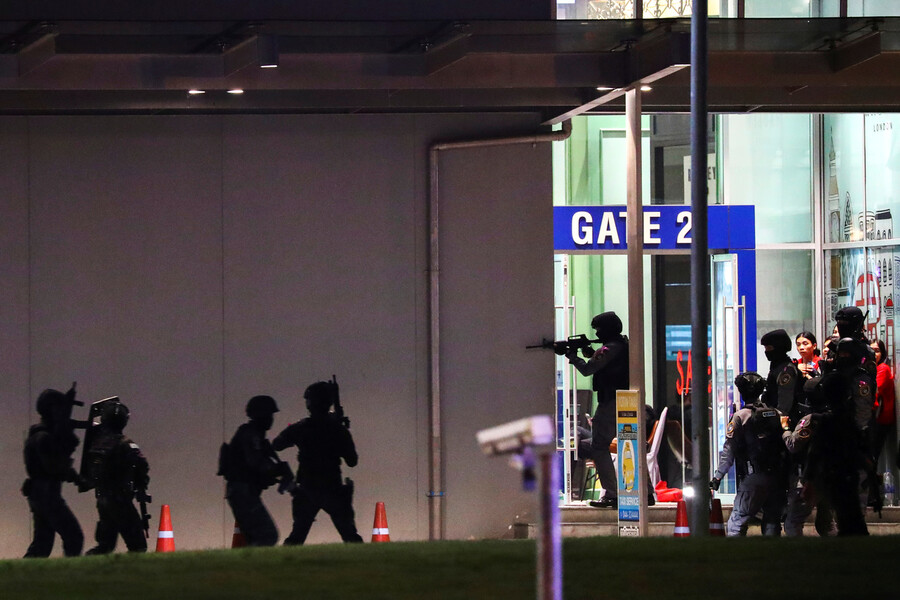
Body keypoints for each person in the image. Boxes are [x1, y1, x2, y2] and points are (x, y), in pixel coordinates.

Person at [273, 381, 363, 544]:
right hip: (332, 487)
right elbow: (352, 461)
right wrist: (341, 429)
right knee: (350, 535)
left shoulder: (301, 428)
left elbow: (277, 444)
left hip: (308, 488)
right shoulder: (337, 429)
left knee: (297, 536)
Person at [710, 371, 788, 536]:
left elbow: (729, 451)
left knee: (736, 523)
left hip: (754, 476)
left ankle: (737, 559)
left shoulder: (740, 417)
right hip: (777, 477)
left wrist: (717, 477)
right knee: (772, 524)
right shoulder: (776, 413)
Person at [565, 311, 628, 508]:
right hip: (623, 401)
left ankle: (612, 494)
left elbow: (587, 369)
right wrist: (588, 351)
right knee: (631, 449)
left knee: (599, 447)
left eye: (599, 330)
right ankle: (647, 493)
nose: (598, 334)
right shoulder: (621, 345)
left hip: (610, 402)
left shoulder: (609, 349)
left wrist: (572, 356)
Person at [219, 395, 295, 546]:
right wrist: (276, 470)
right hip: (243, 491)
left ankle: (243, 567)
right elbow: (256, 462)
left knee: (251, 539)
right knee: (268, 535)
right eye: (269, 415)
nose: (271, 419)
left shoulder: (256, 436)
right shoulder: (250, 435)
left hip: (243, 491)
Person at [22, 386, 85, 558]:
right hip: (47, 494)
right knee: (73, 537)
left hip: (41, 493)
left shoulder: (39, 435)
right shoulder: (44, 438)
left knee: (41, 545)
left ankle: (23, 578)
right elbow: (54, 467)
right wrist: (66, 448)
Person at [83, 401, 150, 554]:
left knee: (105, 546)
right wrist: (141, 485)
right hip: (121, 501)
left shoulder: (97, 443)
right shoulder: (126, 444)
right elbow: (142, 466)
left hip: (102, 499)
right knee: (138, 546)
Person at [761, 329, 804, 428]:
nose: (766, 351)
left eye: (769, 348)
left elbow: (784, 405)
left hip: (784, 424)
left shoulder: (786, 370)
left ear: (778, 348)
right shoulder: (777, 367)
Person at [871, 338, 895, 467]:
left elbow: (874, 392)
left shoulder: (882, 369)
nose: (874, 354)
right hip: (874, 418)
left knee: (872, 454)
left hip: (879, 419)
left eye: (877, 351)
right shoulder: (871, 369)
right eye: (871, 350)